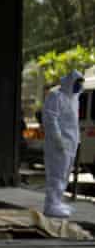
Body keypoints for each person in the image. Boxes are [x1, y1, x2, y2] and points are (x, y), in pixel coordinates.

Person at [42, 70, 84, 218]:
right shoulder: (56, 96)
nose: (79, 87)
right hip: (58, 144)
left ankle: (57, 202)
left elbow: (72, 122)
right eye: (77, 84)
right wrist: (58, 139)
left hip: (70, 143)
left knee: (65, 174)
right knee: (56, 174)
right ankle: (50, 205)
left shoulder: (74, 98)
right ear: (69, 83)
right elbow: (50, 119)